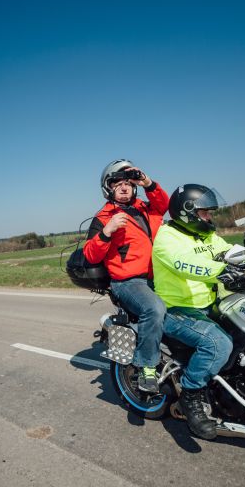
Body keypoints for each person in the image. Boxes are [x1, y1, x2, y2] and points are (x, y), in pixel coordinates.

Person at [152, 184, 245, 440]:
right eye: (205, 212)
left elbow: (229, 251)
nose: (209, 217)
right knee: (218, 344)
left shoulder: (205, 235)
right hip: (178, 311)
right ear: (187, 212)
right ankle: (190, 396)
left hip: (209, 306)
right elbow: (186, 264)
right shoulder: (167, 238)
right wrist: (223, 271)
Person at [84, 159, 169, 393]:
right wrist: (107, 231)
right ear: (108, 188)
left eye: (129, 183)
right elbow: (90, 255)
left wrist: (147, 182)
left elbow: (164, 204)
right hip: (128, 282)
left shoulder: (146, 208)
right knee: (154, 309)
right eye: (117, 183)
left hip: (159, 277)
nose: (124, 187)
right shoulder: (104, 217)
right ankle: (146, 368)